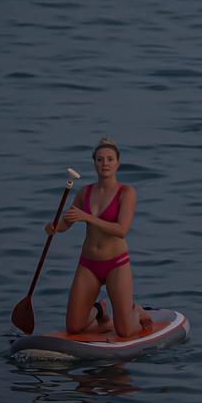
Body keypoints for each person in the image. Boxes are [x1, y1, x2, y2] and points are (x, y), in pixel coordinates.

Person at [46, 137, 152, 337]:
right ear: (94, 162)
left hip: (116, 264)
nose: (105, 164)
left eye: (110, 159)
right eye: (100, 159)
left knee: (125, 331)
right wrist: (54, 227)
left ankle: (135, 311)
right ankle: (100, 311)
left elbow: (121, 230)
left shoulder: (126, 192)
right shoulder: (84, 192)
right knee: (74, 327)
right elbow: (67, 222)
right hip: (88, 264)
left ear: (118, 163)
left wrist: (87, 217)